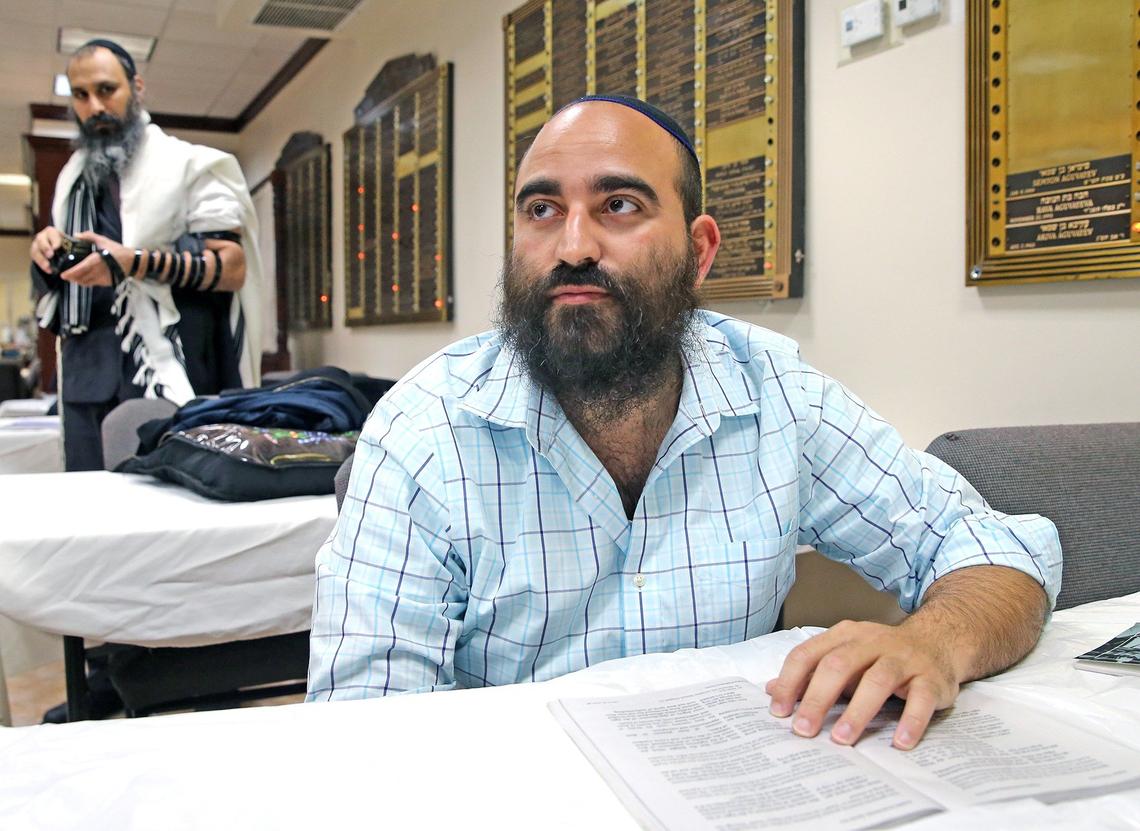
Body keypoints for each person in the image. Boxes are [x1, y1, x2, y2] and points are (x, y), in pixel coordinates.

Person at [307, 95, 1061, 751]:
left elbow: (995, 548)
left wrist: (931, 641)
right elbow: (361, 730)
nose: (573, 246)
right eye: (542, 210)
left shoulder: (776, 394)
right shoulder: (424, 431)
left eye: (620, 206)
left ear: (699, 252)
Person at [29, 38, 261, 472]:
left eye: (106, 90)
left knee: (173, 504)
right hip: (86, 372)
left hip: (171, 366)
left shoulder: (189, 166)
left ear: (136, 88)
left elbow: (232, 269)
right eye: (80, 95)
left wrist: (133, 262)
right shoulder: (71, 181)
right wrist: (46, 252)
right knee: (89, 505)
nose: (94, 105)